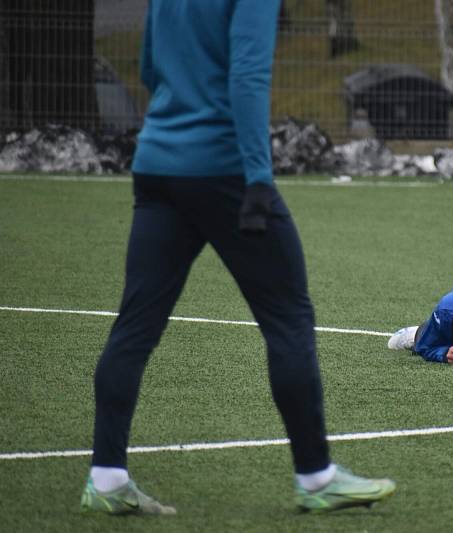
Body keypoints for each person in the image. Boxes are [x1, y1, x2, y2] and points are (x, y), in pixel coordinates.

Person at [80, 0, 395, 516]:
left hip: (157, 165)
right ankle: (317, 479)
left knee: (135, 324)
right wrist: (257, 178)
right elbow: (247, 76)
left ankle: (107, 478)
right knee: (289, 318)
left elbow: (149, 68)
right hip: (224, 169)